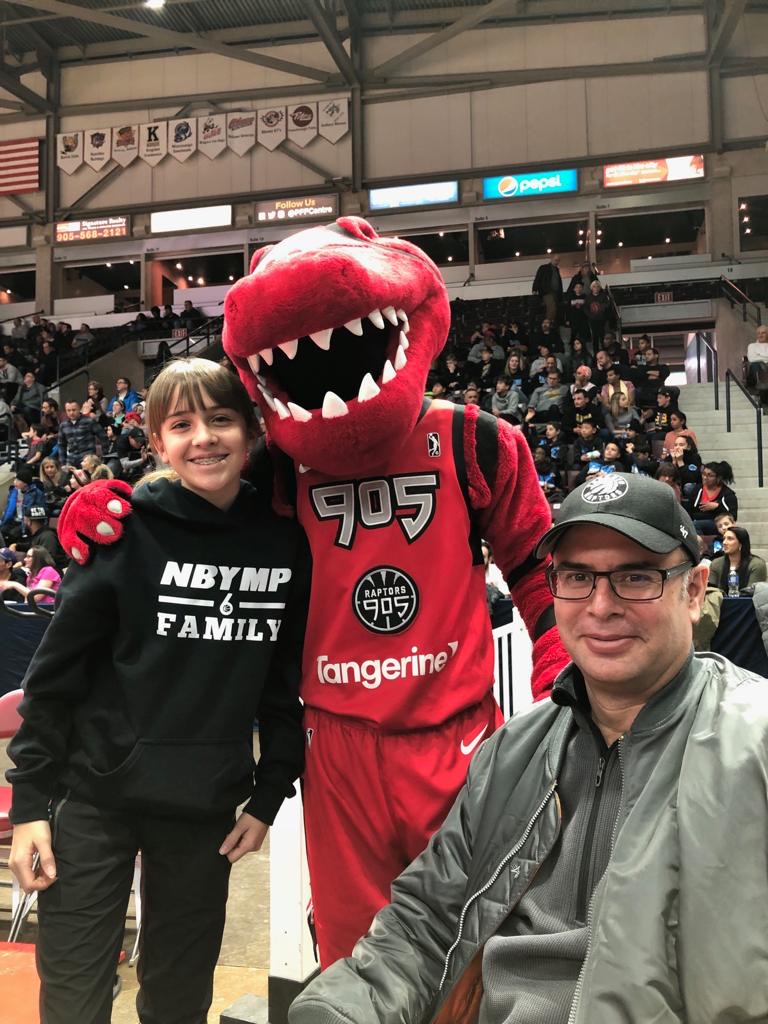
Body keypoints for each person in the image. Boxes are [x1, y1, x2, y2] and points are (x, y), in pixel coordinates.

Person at [289, 473, 768, 1024]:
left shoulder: (752, 747)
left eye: (636, 577)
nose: (601, 605)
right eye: (578, 577)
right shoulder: (514, 751)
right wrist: (335, 1012)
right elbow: (424, 923)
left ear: (693, 589)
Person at [7, 357, 309, 1024]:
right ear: (157, 442)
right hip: (91, 802)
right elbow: (52, 684)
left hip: (204, 811)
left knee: (178, 1000)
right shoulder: (121, 532)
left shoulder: (284, 544)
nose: (204, 437)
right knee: (74, 997)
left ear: (251, 432)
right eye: (182, 424)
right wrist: (30, 807)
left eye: (221, 419)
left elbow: (282, 684)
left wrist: (269, 792)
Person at [707, 526, 767, 593]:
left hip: (747, 602)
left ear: (741, 544)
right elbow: (711, 591)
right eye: (724, 539)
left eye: (730, 539)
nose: (724, 542)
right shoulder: (716, 563)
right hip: (719, 602)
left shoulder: (756, 565)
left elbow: (752, 593)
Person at [691, 460, 738, 534]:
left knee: (695, 525)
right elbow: (690, 509)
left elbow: (733, 517)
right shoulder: (697, 490)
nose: (705, 477)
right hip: (696, 521)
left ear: (719, 478)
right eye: (704, 474)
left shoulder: (728, 494)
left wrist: (717, 507)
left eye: (710, 475)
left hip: (718, 524)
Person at [58, 399, 105, 469]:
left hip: (88, 457)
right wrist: (62, 463)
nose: (71, 413)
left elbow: (103, 437)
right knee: (66, 478)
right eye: (68, 410)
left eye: (74, 410)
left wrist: (104, 455)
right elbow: (61, 445)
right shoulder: (63, 425)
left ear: (79, 409)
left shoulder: (89, 421)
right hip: (71, 458)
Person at [532, 254, 563, 324]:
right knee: (552, 308)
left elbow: (559, 283)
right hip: (547, 292)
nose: (556, 261)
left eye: (558, 260)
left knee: (553, 309)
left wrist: (560, 296)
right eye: (555, 260)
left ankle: (550, 323)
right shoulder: (543, 268)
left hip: (556, 293)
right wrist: (534, 289)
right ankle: (548, 324)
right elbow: (538, 278)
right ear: (551, 259)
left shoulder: (557, 270)